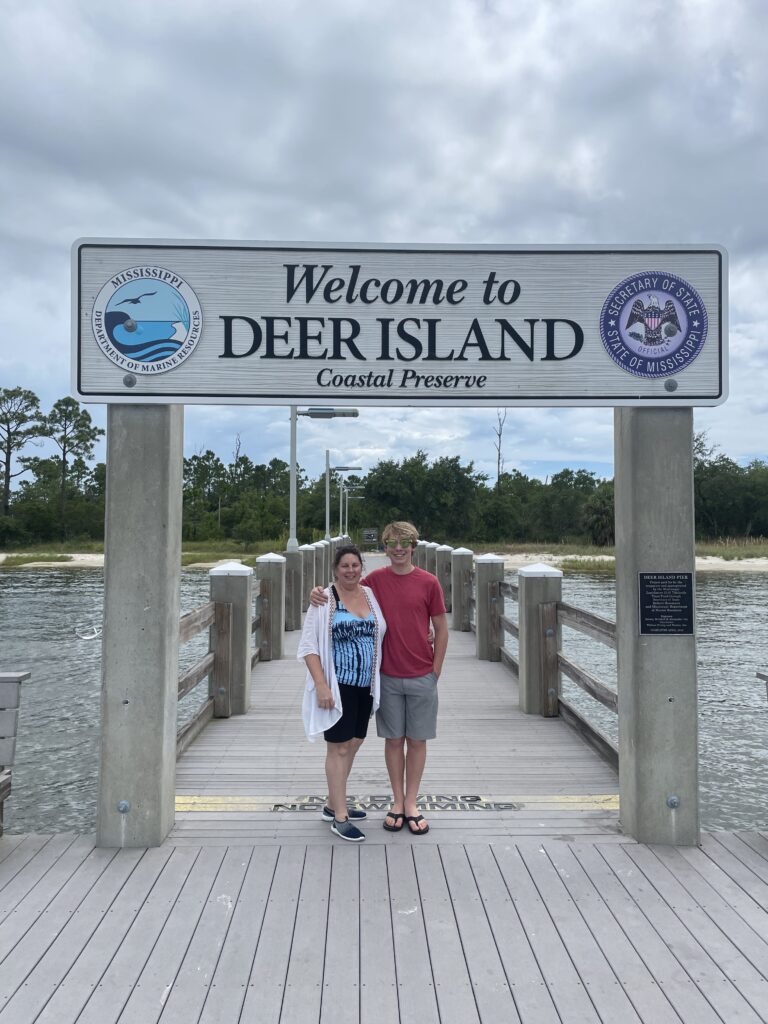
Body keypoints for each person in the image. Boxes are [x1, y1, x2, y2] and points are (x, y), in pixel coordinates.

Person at [311, 521, 448, 836]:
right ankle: (397, 803)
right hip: (384, 676)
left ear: (414, 546)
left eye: (404, 543)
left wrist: (435, 670)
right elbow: (343, 585)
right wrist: (316, 593)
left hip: (421, 675)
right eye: (392, 544)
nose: (398, 549)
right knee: (393, 740)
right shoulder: (373, 582)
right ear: (385, 548)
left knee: (417, 740)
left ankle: (411, 803)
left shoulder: (429, 583)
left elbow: (440, 629)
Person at [298, 544, 386, 842]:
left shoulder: (370, 595)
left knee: (355, 741)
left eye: (355, 565)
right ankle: (340, 816)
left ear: (362, 567)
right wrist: (322, 685)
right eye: (344, 566)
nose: (350, 570)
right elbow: (309, 646)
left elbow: (385, 627)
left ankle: (331, 802)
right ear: (335, 570)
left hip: (366, 685)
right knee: (338, 748)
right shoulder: (323, 599)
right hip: (338, 686)